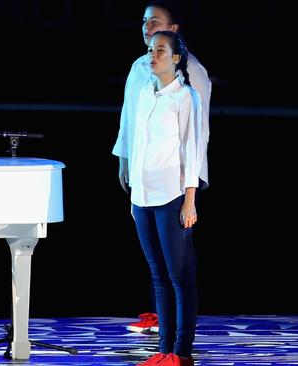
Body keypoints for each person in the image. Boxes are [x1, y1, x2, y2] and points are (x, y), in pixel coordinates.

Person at [114, 0, 211, 335]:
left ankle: (180, 342)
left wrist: (191, 190)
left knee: (179, 267)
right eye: (144, 21)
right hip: (146, 179)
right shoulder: (140, 70)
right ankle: (161, 324)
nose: (147, 27)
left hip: (177, 179)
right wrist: (126, 160)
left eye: (155, 22)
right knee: (158, 266)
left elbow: (195, 132)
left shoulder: (190, 78)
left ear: (173, 33)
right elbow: (130, 121)